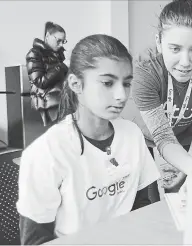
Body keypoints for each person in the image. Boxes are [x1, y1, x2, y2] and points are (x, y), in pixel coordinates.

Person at [17, 34, 160, 245]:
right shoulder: (46, 152)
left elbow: (142, 207)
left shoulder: (132, 134)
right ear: (76, 84)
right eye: (107, 83)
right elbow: (36, 241)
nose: (121, 95)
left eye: (126, 83)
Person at [131, 0, 192, 192]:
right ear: (159, 42)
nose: (185, 62)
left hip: (186, 140)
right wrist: (189, 165)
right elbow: (161, 134)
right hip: (145, 142)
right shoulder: (146, 73)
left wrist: (189, 161)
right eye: (175, 48)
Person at [26, 21, 69, 126]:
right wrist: (62, 66)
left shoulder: (57, 54)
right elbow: (40, 82)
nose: (61, 45)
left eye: (63, 41)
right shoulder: (34, 54)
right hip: (47, 104)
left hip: (60, 100)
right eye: (58, 41)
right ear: (48, 36)